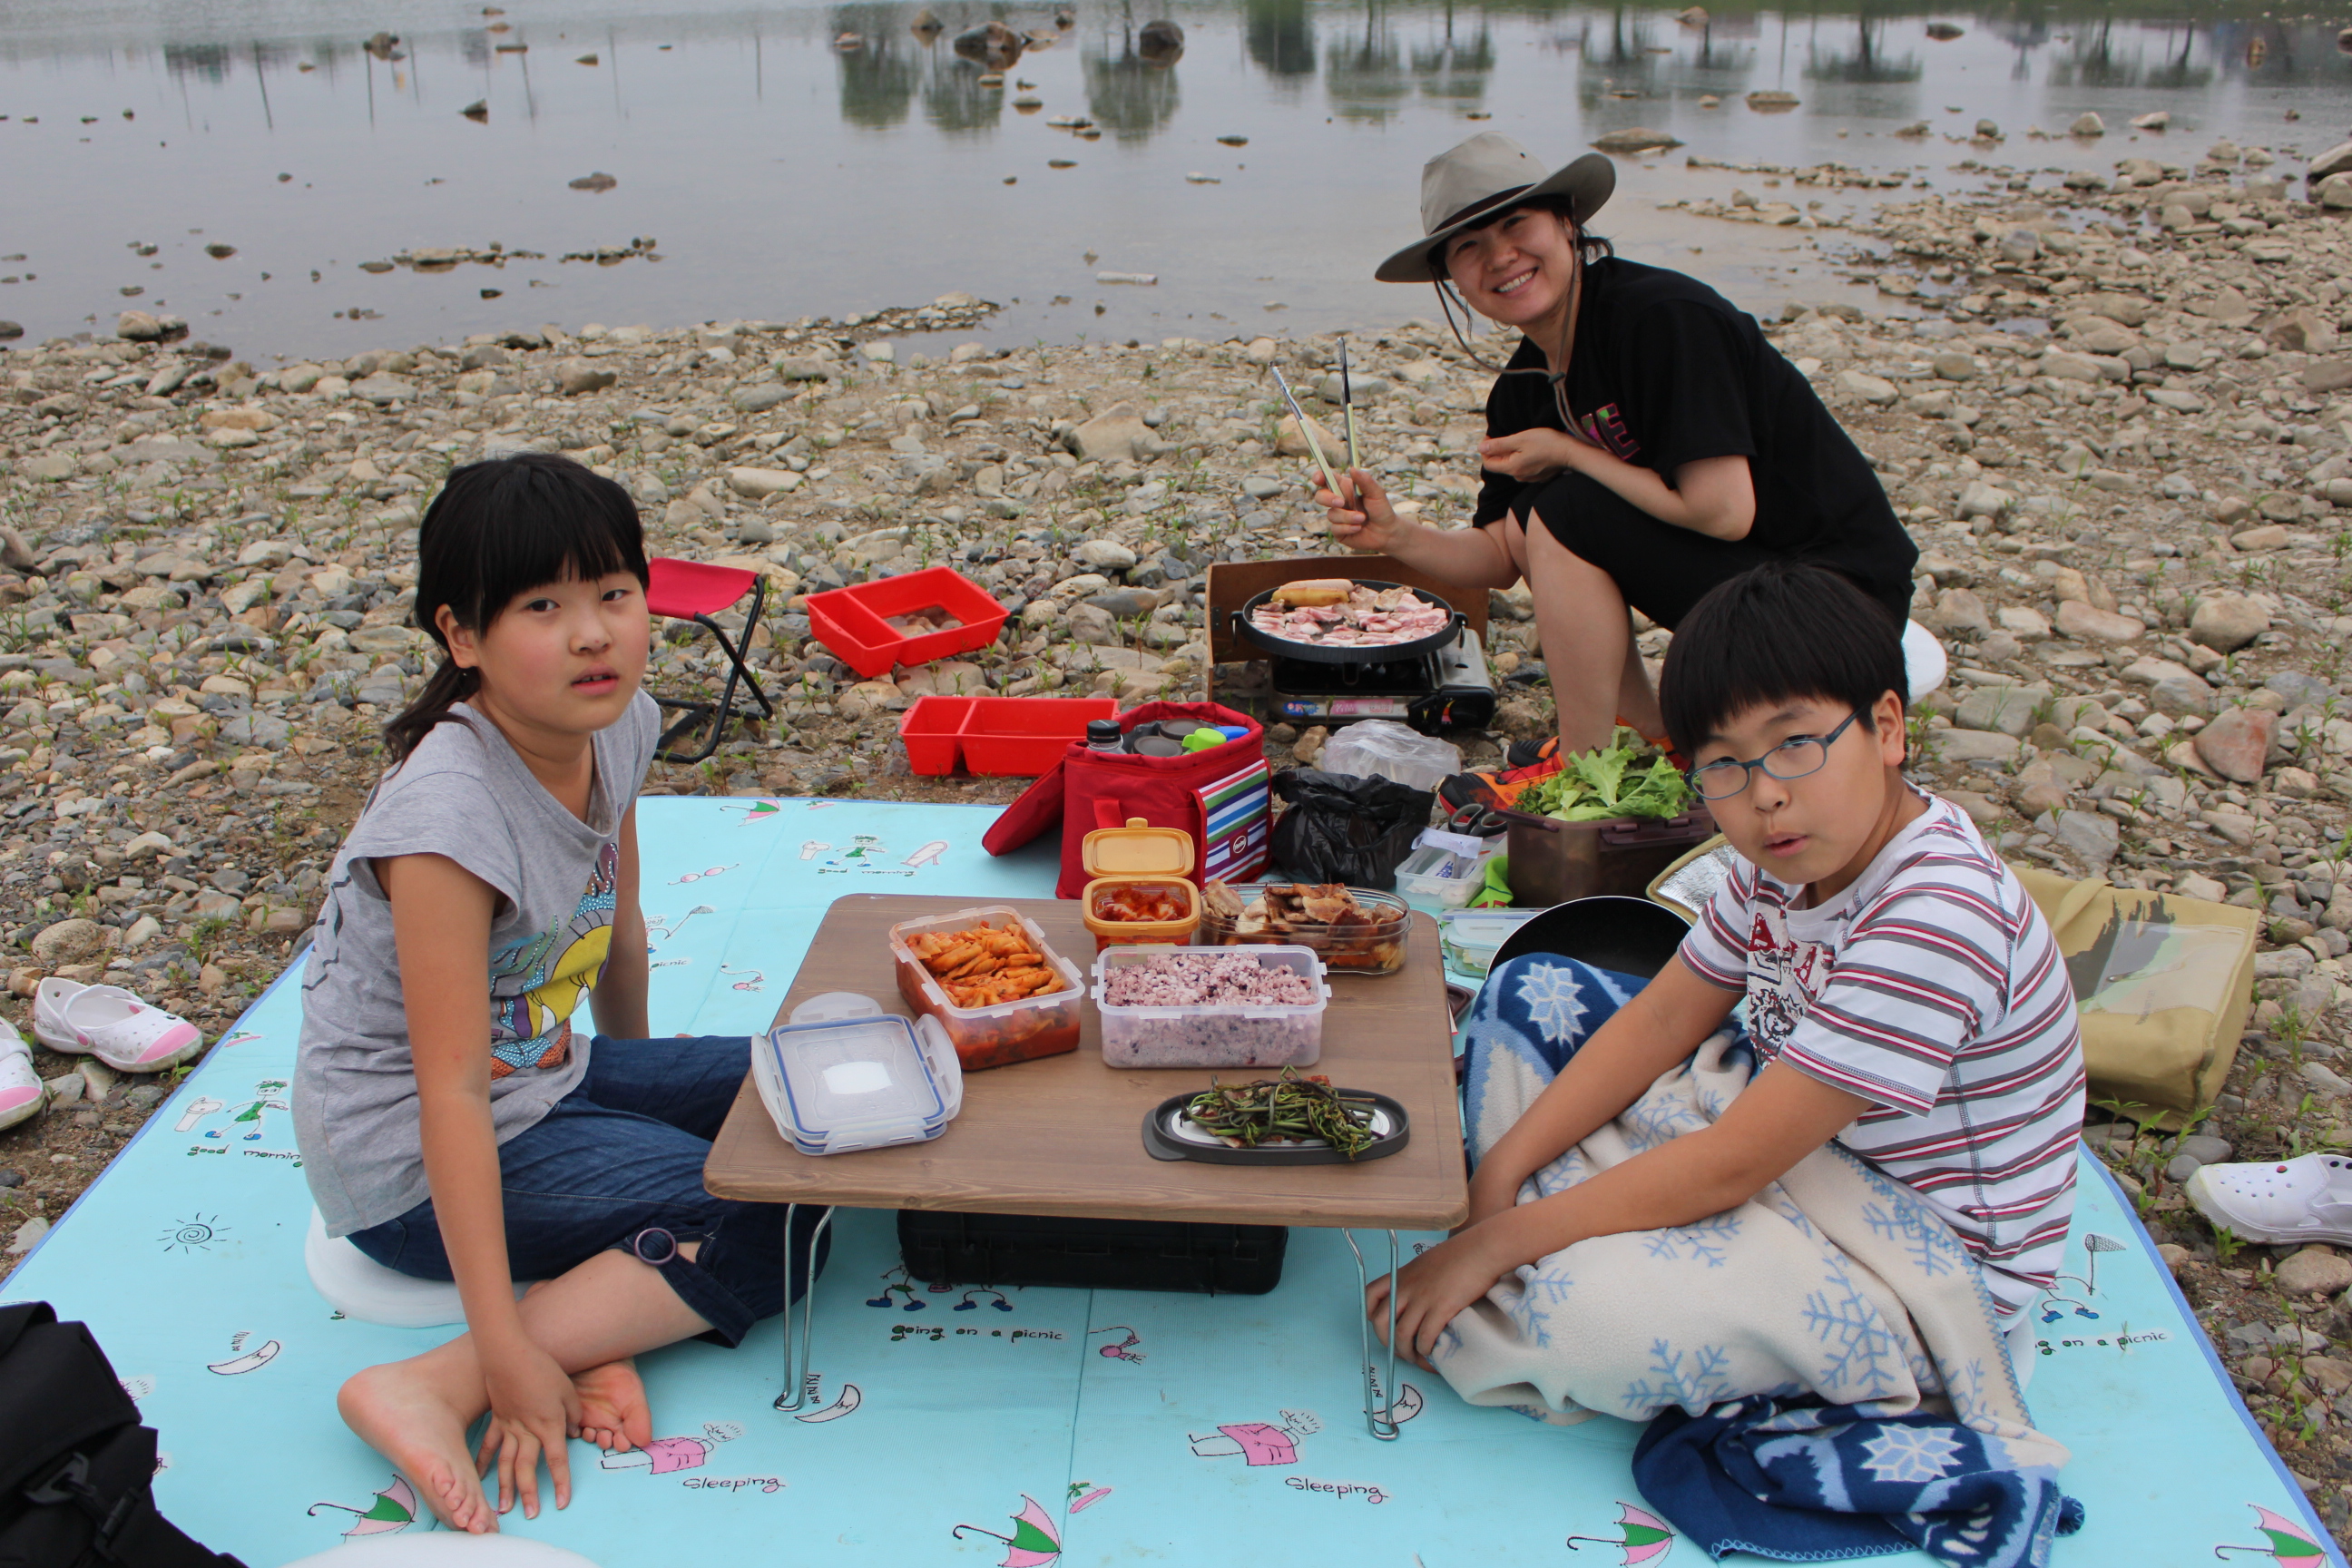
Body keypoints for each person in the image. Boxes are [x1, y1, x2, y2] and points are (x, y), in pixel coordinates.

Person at [1367, 563, 2083, 1381]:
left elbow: (1738, 1159)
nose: (1765, 796)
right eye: (1726, 766)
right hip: (1791, 1132)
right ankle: (1566, 1219)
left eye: (1796, 746)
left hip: (1914, 1246)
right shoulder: (1781, 859)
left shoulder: (1937, 914)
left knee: (1597, 1316)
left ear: (1888, 729)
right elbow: (1665, 1019)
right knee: (1532, 988)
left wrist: (1500, 1236)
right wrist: (1498, 1175)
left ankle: (1561, 1253)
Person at [292, 456, 825, 1534]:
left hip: (550, 1078)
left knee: (813, 1098)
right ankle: (437, 1383)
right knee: (770, 1209)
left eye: (614, 597)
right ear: (461, 636)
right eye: (545, 607)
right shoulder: (445, 820)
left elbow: (616, 923)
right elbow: (447, 1096)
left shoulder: (614, 722)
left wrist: (637, 1106)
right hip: (409, 1159)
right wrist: (504, 1351)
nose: (594, 635)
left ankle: (612, 1294)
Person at [1318, 133, 1919, 801]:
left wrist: (1572, 452)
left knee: (1566, 508)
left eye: (1517, 224)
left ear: (1568, 224)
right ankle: (1655, 732)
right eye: (1469, 246)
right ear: (1451, 279)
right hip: (1748, 601)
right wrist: (1394, 535)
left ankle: (1582, 770)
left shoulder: (1663, 320)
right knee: (1537, 516)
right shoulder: (1521, 386)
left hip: (1840, 614)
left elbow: (1724, 511)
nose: (1501, 257)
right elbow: (1500, 554)